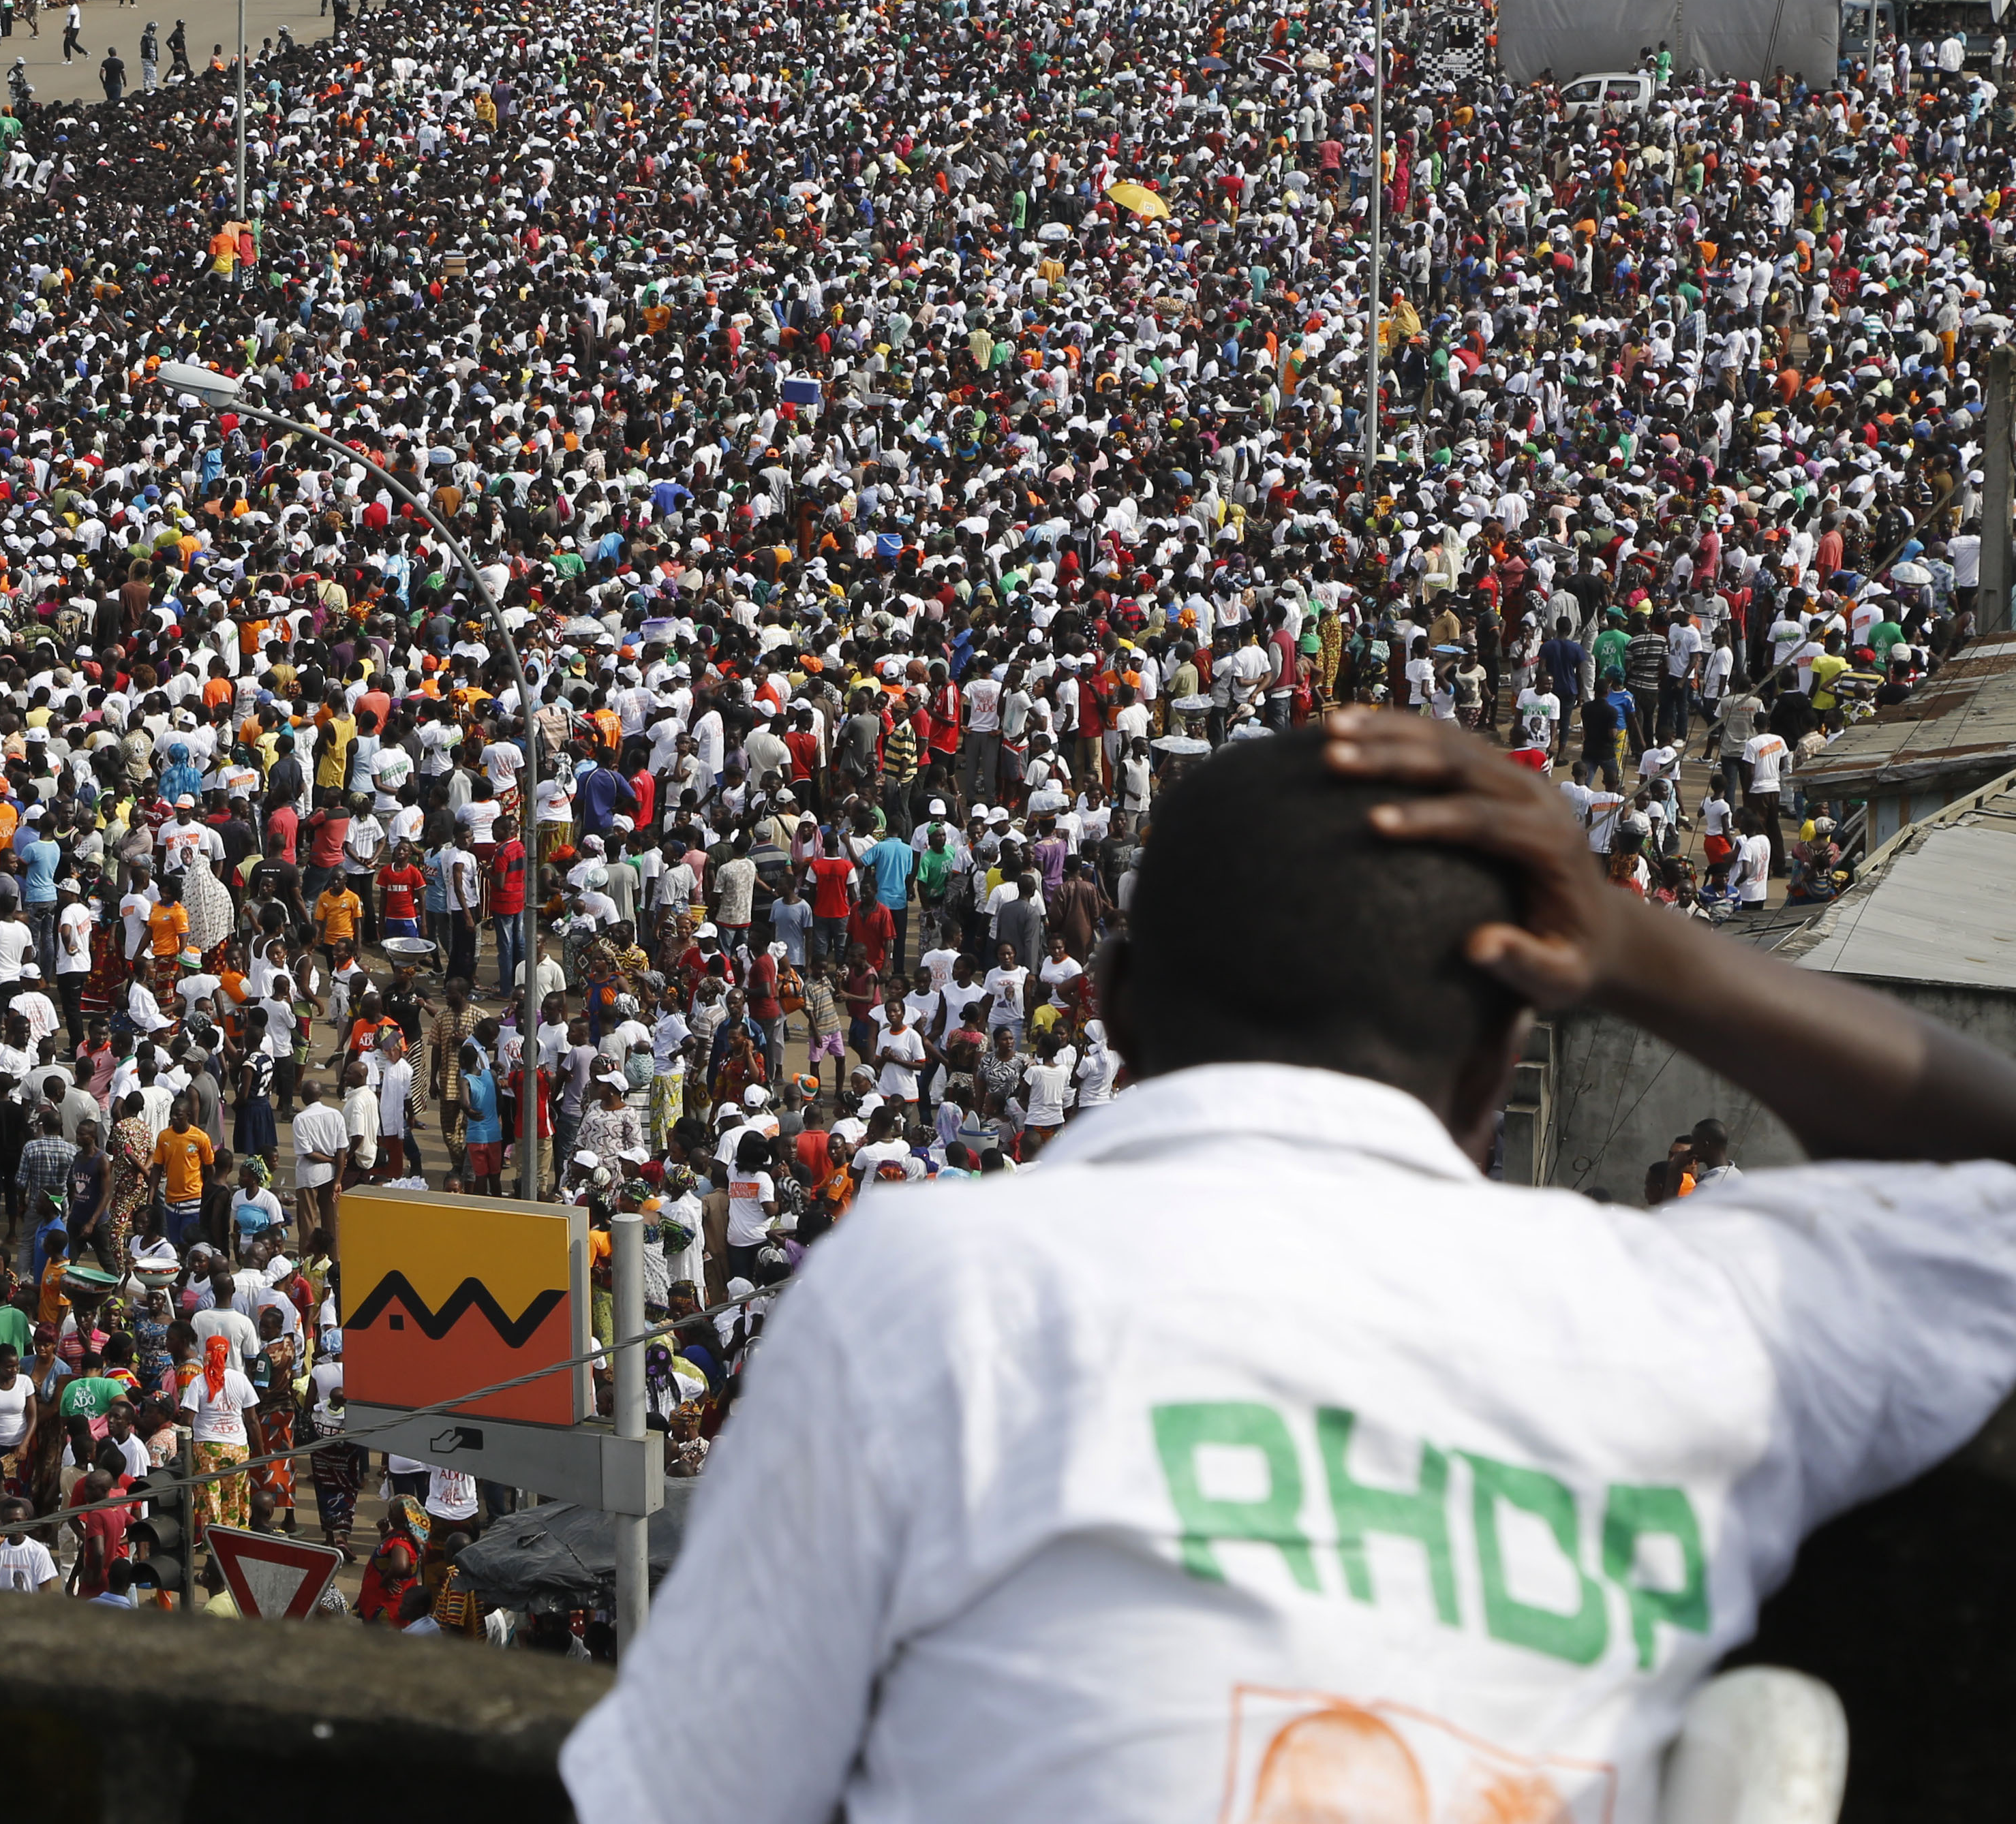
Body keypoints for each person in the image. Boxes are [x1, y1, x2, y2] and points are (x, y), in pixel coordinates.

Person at [568, 715, 2016, 1824]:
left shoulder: (941, 1286)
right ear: (1508, 1047)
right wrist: (1643, 951)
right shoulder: (1701, 1326)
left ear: (1115, 1007)